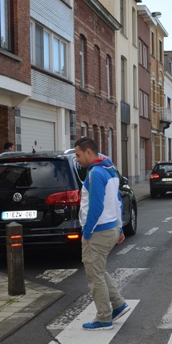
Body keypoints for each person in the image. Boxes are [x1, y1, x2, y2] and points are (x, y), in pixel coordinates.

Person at [74, 137, 130, 331]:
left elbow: (96, 207)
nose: (77, 159)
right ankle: (118, 304)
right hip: (110, 227)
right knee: (98, 270)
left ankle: (104, 318)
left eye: (78, 155)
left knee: (94, 274)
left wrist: (87, 231)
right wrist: (120, 227)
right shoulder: (109, 170)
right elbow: (117, 201)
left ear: (88, 152)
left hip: (98, 231)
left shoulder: (95, 173)